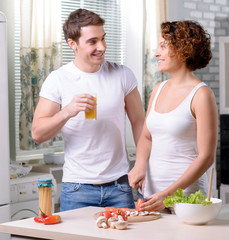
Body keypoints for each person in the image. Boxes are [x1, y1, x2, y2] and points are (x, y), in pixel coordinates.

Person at [32, 9, 145, 211]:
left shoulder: (122, 75)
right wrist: (67, 111)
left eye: (103, 39)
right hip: (77, 189)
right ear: (72, 44)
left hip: (120, 187)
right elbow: (38, 134)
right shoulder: (58, 80)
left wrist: (141, 165)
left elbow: (139, 122)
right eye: (93, 41)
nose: (102, 47)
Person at [128, 20, 218, 212]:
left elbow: (206, 157)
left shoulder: (201, 95)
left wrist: (168, 195)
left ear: (183, 49)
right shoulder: (158, 89)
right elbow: (146, 137)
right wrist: (139, 165)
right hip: (152, 195)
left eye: (163, 47)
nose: (156, 53)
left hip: (185, 198)